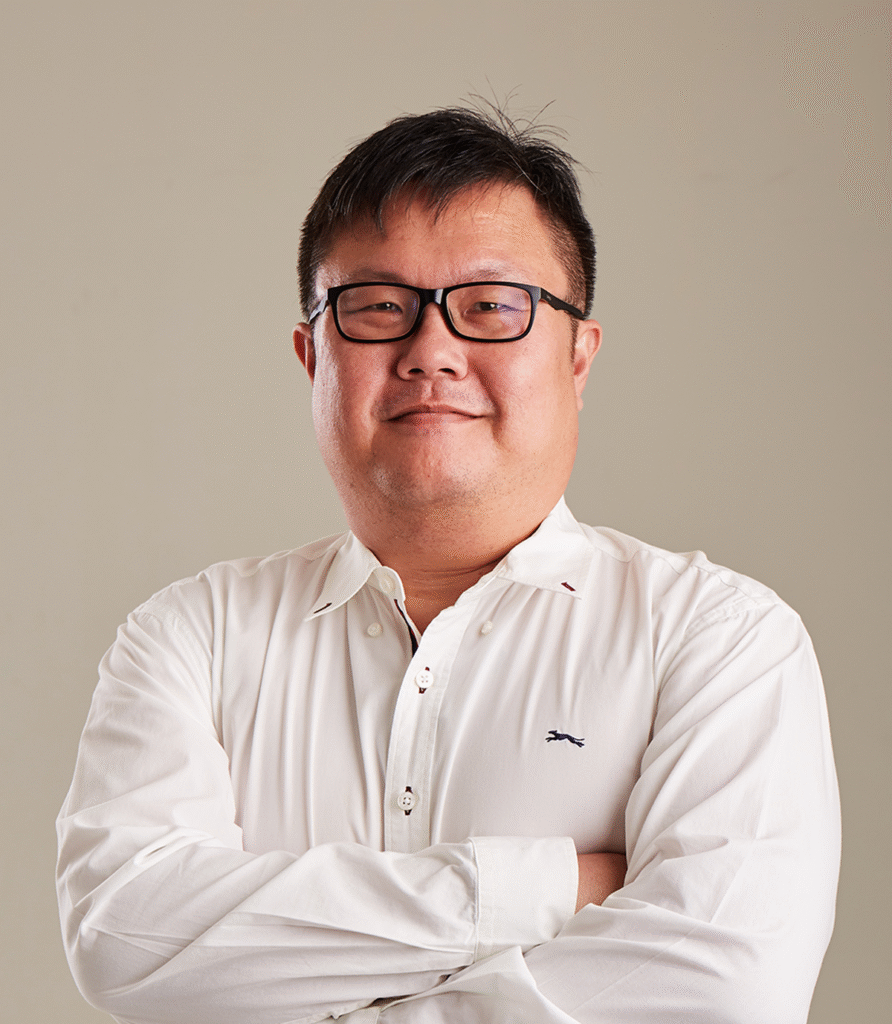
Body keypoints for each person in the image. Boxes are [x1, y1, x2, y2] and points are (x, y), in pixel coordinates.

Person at [56, 107, 840, 1024]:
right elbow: (124, 939)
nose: (431, 352)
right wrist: (556, 886)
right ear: (313, 356)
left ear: (578, 356)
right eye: (379, 307)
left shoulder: (718, 639)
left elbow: (724, 985)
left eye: (492, 309)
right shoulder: (192, 634)